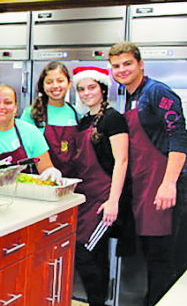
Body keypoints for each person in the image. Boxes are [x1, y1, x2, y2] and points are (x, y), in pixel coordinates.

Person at [108, 42, 187, 305]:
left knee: (166, 259)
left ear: (141, 64)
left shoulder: (157, 92)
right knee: (152, 254)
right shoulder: (130, 95)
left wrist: (169, 183)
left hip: (166, 185)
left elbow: (178, 137)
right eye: (116, 66)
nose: (122, 70)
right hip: (146, 184)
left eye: (127, 63)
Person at [72, 66, 129, 306]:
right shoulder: (85, 120)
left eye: (91, 87)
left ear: (103, 89)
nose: (86, 93)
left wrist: (113, 201)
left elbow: (122, 160)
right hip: (87, 197)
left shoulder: (113, 119)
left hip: (104, 200)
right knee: (91, 257)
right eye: (81, 89)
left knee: (86, 253)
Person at [0, 85, 63, 182]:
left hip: (23, 195)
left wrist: (50, 172)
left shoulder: (31, 132)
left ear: (15, 107)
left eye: (7, 102)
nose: (1, 107)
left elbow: (45, 168)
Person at [21, 61, 79, 177]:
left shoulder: (76, 113)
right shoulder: (31, 113)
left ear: (69, 83)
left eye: (60, 81)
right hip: (39, 178)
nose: (55, 86)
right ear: (43, 85)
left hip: (71, 179)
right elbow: (23, 149)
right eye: (49, 82)